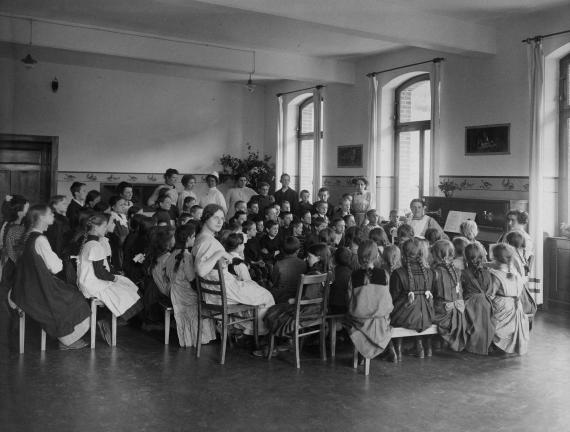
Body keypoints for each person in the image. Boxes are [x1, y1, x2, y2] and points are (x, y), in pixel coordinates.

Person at [13, 205, 91, 350]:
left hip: (26, 287)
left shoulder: (30, 236)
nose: (53, 215)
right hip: (38, 289)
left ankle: (66, 338)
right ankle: (67, 340)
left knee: (70, 294)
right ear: (41, 217)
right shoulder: (41, 239)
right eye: (50, 213)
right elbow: (56, 267)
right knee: (76, 298)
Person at [192, 204, 274, 336]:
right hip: (221, 293)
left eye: (222, 218)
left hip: (216, 291)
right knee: (266, 295)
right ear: (206, 218)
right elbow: (200, 270)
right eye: (215, 218)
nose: (220, 222)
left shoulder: (202, 238)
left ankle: (247, 330)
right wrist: (220, 254)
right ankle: (261, 335)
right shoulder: (207, 241)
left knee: (253, 286)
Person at [76, 213, 142, 343]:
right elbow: (100, 273)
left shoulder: (88, 242)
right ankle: (109, 320)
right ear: (95, 227)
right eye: (104, 226)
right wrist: (115, 279)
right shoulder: (95, 245)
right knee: (129, 289)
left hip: (86, 281)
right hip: (93, 284)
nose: (106, 229)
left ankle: (105, 318)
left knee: (126, 285)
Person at [262, 243, 330, 340]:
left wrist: (293, 300)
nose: (306, 259)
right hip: (321, 309)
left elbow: (307, 298)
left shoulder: (312, 275)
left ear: (319, 258)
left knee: (272, 312)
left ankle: (278, 344)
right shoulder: (327, 272)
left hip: (307, 310)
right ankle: (286, 341)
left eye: (310, 256)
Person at [166, 223, 216, 348]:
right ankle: (201, 338)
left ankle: (190, 337)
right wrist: (202, 292)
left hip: (175, 291)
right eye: (193, 237)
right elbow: (192, 280)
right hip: (184, 294)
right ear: (187, 238)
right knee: (206, 300)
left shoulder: (172, 254)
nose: (194, 240)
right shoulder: (186, 256)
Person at [347, 240, 396, 362]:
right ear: (377, 256)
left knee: (346, 321)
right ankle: (388, 348)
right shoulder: (384, 274)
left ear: (358, 257)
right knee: (385, 321)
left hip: (361, 322)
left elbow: (349, 300)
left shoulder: (353, 276)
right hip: (382, 321)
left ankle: (362, 353)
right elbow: (387, 299)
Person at [390, 238, 435, 359]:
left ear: (403, 254)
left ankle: (397, 351)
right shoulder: (430, 272)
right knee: (417, 313)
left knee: (394, 313)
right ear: (421, 254)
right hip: (427, 316)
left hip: (405, 317)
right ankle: (420, 347)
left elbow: (392, 298)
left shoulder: (398, 273)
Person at [487, 244, 530, 355]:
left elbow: (491, 294)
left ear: (494, 257)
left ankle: (496, 345)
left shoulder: (496, 275)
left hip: (502, 303)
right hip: (515, 303)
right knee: (511, 325)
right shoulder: (515, 272)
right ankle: (509, 346)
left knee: (486, 312)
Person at [430, 240, 467, 352]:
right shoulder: (458, 270)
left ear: (435, 255)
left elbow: (432, 293)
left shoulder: (434, 272)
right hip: (459, 311)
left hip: (443, 312)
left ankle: (432, 343)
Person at [461, 242, 495, 355]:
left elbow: (461, 291)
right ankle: (486, 344)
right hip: (486, 303)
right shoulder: (488, 273)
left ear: (465, 258)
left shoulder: (463, 273)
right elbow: (490, 290)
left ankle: (472, 345)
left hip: (470, 304)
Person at [270, 236, 307, 304]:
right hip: (298, 295)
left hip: (280, 297)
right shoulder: (304, 264)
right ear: (298, 250)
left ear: (283, 250)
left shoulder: (278, 264)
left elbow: (274, 281)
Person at [45, 195, 72, 260]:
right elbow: (57, 240)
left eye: (67, 203)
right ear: (54, 205)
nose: (66, 205)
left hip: (62, 252)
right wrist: (58, 258)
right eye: (64, 203)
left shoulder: (61, 219)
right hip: (59, 254)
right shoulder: (57, 221)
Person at [107, 196, 130, 271]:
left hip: (125, 245)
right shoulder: (112, 217)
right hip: (117, 247)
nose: (123, 207)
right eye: (121, 205)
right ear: (113, 207)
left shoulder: (123, 216)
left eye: (124, 204)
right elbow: (111, 233)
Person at [329, 247, 352, 314]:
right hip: (347, 307)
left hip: (333, 307)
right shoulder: (352, 273)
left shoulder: (333, 273)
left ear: (334, 259)